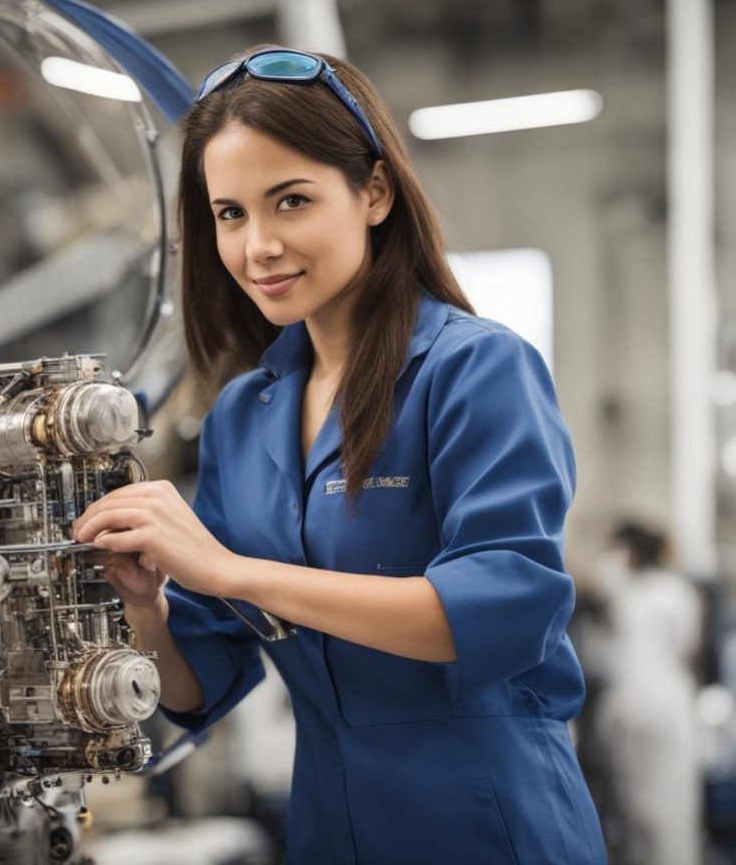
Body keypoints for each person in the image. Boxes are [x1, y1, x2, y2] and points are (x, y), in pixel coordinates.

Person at [72, 45, 607, 864]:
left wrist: (227, 570)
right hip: (328, 819)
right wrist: (147, 605)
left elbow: (503, 606)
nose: (257, 247)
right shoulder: (242, 417)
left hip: (486, 813)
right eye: (230, 214)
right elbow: (197, 683)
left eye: (290, 201)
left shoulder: (473, 368)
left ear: (374, 192)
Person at [594, 521, 703, 865]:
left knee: (657, 817)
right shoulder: (667, 591)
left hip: (649, 709)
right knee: (646, 814)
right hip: (648, 708)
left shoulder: (636, 592)